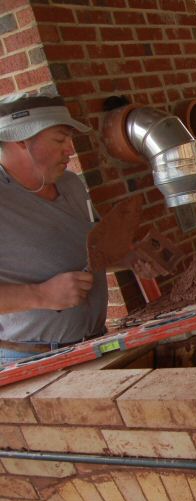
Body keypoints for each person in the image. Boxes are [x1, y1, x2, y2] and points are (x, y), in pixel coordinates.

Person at [0, 94, 108, 364]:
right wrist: (42, 295)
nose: (69, 149)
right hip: (33, 360)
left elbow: (92, 245)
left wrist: (127, 256)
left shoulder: (71, 184)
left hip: (98, 344)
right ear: (21, 139)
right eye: (60, 139)